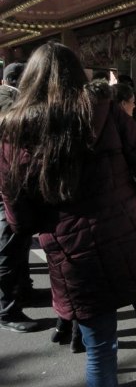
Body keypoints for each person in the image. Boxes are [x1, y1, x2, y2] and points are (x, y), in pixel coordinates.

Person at [0, 42, 136, 386]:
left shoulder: (14, 132)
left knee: (100, 349)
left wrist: (50, 226)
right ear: (75, 74)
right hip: (135, 235)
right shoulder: (106, 110)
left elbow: (18, 213)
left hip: (74, 252)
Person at [0, 62, 42, 333]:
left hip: (12, 181)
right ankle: (6, 309)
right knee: (8, 246)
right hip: (8, 183)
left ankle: (22, 289)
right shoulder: (10, 102)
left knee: (19, 239)